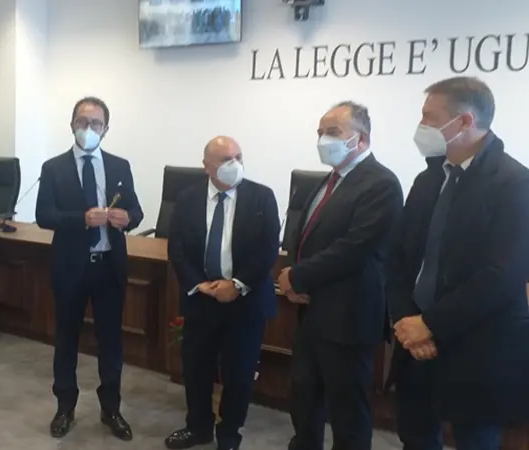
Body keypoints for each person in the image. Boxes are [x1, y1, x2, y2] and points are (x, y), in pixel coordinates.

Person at [388, 76, 529, 450]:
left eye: (429, 118)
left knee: (475, 442)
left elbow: (503, 275)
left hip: (479, 349)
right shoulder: (428, 179)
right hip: (414, 342)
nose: (421, 127)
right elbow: (399, 256)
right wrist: (407, 321)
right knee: (415, 438)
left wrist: (431, 324)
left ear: (465, 122)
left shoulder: (515, 183)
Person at [277, 101, 403, 450]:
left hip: (349, 318)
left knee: (347, 412)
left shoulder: (381, 184)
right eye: (320, 132)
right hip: (312, 312)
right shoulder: (328, 180)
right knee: (304, 399)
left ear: (361, 139)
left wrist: (298, 277)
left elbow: (355, 248)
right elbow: (300, 234)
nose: (323, 140)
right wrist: (293, 278)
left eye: (333, 132)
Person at [35, 96, 143, 441]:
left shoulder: (119, 166)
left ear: (106, 129)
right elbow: (44, 216)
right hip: (71, 267)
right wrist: (82, 219)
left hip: (109, 267)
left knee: (110, 342)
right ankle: (64, 406)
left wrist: (127, 219)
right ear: (72, 125)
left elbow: (137, 212)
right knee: (66, 339)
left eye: (96, 123)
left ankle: (111, 407)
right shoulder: (54, 167)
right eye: (83, 122)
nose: (89, 128)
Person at [165, 136, 280, 450]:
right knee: (196, 369)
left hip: (245, 302)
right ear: (207, 166)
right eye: (226, 159)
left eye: (238, 157)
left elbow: (269, 248)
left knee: (239, 373)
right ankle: (198, 427)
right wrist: (198, 284)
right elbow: (177, 248)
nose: (235, 164)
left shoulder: (261, 197)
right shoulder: (188, 198)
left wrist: (238, 284)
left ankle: (229, 435)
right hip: (202, 299)